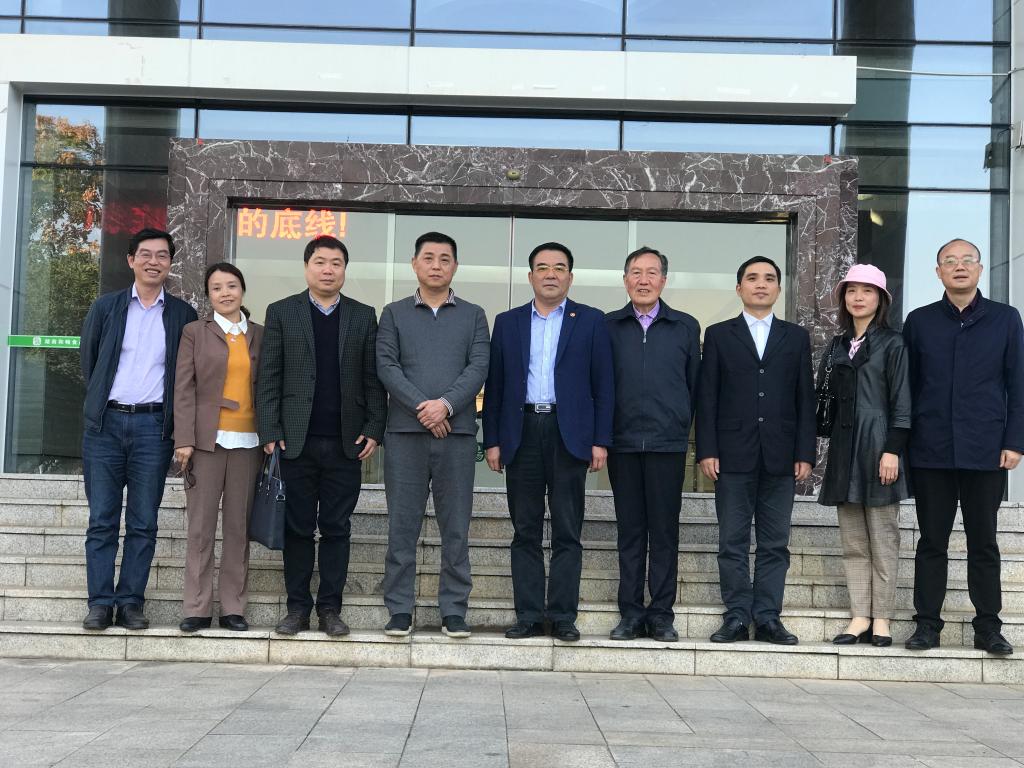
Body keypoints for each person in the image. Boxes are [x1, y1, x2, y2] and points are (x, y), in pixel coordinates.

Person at [255, 234, 387, 637]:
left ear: (345, 270)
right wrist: (270, 429)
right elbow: (269, 376)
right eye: (320, 262)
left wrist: (374, 427)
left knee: (336, 528)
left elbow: (372, 379)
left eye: (336, 263)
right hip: (295, 442)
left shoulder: (363, 315)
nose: (328, 270)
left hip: (346, 444)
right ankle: (297, 609)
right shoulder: (282, 312)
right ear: (306, 267)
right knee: (296, 528)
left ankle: (330, 609)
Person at [482, 242, 614, 642]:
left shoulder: (591, 320)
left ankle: (562, 616)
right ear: (530, 277)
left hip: (568, 433)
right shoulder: (508, 322)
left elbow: (603, 385)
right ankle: (527, 616)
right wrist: (492, 439)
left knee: (567, 531)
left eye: (559, 267)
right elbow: (496, 385)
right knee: (524, 530)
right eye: (542, 267)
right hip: (521, 430)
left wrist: (600, 440)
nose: (550, 274)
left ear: (570, 277)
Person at [903, 238, 1024, 656]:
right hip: (930, 448)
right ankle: (926, 625)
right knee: (931, 542)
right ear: (938, 272)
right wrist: (903, 443)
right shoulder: (919, 321)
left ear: (979, 269)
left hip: (985, 448)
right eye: (950, 261)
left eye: (967, 260)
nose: (959, 266)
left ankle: (988, 627)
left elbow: (1017, 384)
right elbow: (907, 388)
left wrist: (1014, 440)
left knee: (984, 541)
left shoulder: (1006, 319)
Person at [79, 228, 198, 631]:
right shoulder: (106, 307)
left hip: (153, 427)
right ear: (131, 260)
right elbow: (91, 363)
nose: (153, 261)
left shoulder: (182, 315)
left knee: (144, 521)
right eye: (145, 254)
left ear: (170, 263)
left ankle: (130, 601)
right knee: (102, 519)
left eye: (162, 255)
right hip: (106, 426)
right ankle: (100, 603)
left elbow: (186, 377)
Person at [696, 255, 816, 645]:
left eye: (768, 278)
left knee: (774, 543)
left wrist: (805, 452)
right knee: (732, 541)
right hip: (732, 454)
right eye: (752, 278)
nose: (760, 284)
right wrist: (707, 449)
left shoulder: (795, 337)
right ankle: (735, 616)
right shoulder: (718, 334)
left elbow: (805, 398)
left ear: (779, 288)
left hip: (781, 455)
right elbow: (708, 397)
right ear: (739, 288)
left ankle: (767, 618)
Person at [376, 232, 490, 639]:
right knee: (402, 526)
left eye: (445, 258)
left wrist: (445, 405)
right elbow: (387, 366)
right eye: (429, 257)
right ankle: (399, 609)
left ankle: (454, 610)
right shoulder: (393, 313)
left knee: (456, 528)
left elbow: (478, 367)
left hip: (456, 435)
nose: (436, 265)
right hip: (405, 434)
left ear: (455, 266)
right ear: (414, 264)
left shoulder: (474, 315)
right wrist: (425, 409)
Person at [604, 247, 700, 642]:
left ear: (664, 280)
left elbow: (694, 386)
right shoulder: (607, 326)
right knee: (630, 531)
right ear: (625, 279)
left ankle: (661, 615)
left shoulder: (685, 326)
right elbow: (599, 385)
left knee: (663, 532)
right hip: (622, 443)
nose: (643, 280)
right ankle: (630, 613)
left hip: (667, 444)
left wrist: (681, 426)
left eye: (652, 272)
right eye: (636, 272)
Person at [816, 264, 910, 648]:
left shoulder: (894, 343)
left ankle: (882, 618)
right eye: (851, 290)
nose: (858, 297)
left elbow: (903, 403)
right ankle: (860, 617)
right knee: (854, 542)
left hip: (879, 446)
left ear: (881, 299)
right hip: (845, 450)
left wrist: (892, 451)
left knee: (883, 540)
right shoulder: (837, 345)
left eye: (867, 291)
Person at [173, 262, 264, 632]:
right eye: (217, 288)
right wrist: (184, 439)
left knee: (239, 528)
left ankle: (232, 608)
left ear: (242, 290)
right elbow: (184, 388)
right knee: (201, 528)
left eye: (231, 286)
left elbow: (270, 387)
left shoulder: (260, 334)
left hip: (249, 443)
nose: (225, 293)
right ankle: (196, 608)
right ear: (208, 295)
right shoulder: (195, 332)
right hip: (205, 442)